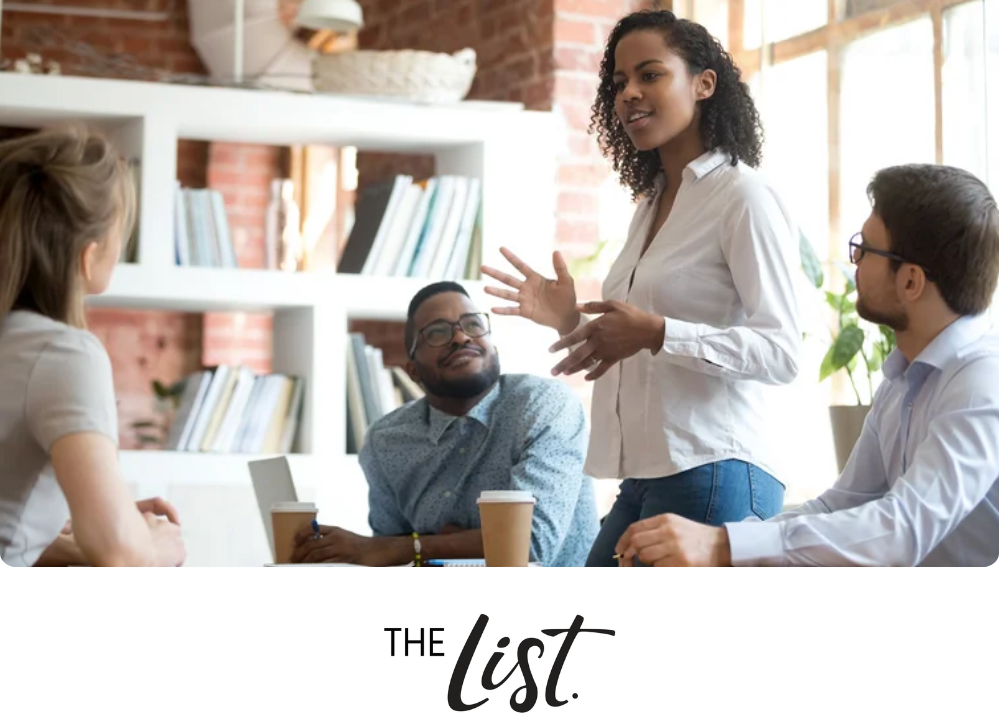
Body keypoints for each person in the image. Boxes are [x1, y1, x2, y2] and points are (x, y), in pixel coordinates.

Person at [481, 9, 801, 566]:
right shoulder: (651, 205)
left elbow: (781, 352)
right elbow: (639, 343)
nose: (629, 93)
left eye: (649, 75)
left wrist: (656, 332)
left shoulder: (742, 198)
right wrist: (567, 321)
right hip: (647, 476)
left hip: (717, 468)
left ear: (704, 84)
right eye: (619, 82)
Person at [616, 164, 999, 567]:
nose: (855, 262)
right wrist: (724, 541)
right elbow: (842, 504)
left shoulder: (981, 383)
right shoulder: (904, 377)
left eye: (865, 249)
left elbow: (902, 529)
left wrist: (722, 547)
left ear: (911, 282)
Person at [292, 282, 599, 566]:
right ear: (413, 370)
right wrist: (433, 546)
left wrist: (416, 545)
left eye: (474, 325)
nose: (461, 337)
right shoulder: (386, 441)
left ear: (494, 348)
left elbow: (529, 544)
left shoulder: (543, 405)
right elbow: (388, 557)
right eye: (437, 333)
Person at [0, 126, 186, 567]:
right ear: (88, 255)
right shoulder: (63, 354)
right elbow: (119, 554)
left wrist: (105, 520)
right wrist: (153, 546)